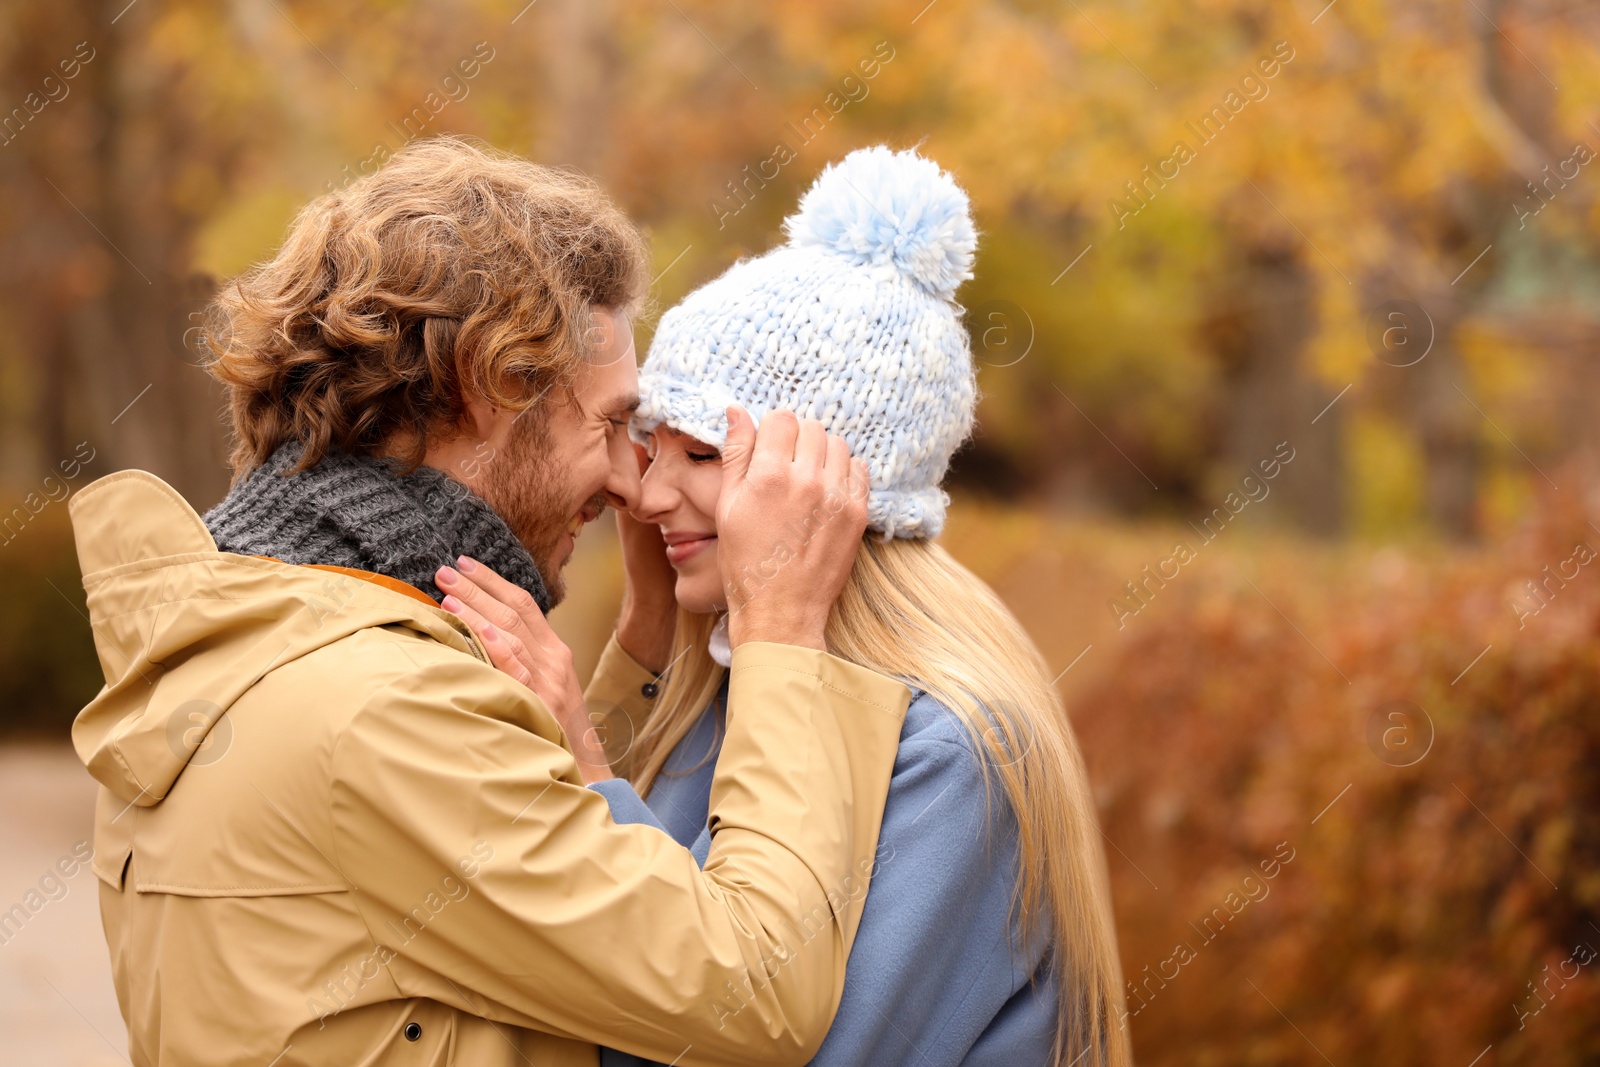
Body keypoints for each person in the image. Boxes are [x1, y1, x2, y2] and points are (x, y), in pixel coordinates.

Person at [67, 136, 912, 1066]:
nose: (634, 481)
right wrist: (782, 631)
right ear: (493, 388)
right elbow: (759, 987)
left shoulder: (259, 632)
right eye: (613, 423)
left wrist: (643, 641)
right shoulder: (385, 708)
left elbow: (531, 892)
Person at [446, 146, 1133, 1066]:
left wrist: (579, 749)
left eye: (701, 457)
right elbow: (630, 933)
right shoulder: (726, 690)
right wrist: (640, 653)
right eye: (653, 448)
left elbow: (729, 1031)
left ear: (820, 489)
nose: (644, 499)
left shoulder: (951, 753)